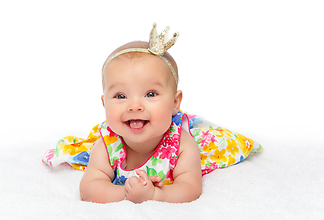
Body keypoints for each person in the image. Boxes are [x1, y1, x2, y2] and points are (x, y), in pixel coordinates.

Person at [43, 23, 263, 204]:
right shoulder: (108, 145)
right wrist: (127, 193)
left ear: (175, 102)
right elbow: (90, 188)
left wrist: (156, 195)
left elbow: (190, 188)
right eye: (120, 96)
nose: (134, 106)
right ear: (104, 103)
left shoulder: (182, 144)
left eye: (150, 94)